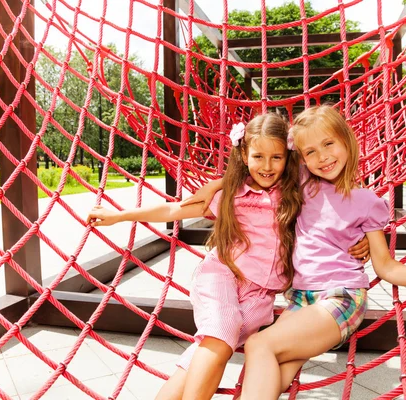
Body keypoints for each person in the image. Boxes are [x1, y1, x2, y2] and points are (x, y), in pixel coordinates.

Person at [187, 105, 406, 399]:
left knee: (258, 345)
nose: (323, 157)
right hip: (300, 302)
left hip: (341, 297)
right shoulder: (302, 184)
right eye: (311, 152)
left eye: (329, 144)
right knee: (271, 376)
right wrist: (219, 184)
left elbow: (385, 266)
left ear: (347, 140)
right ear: (302, 159)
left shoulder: (367, 202)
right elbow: (259, 170)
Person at [87, 113, 305, 400]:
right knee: (224, 327)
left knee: (214, 345)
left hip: (261, 295)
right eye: (258, 156)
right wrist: (118, 216)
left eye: (276, 157)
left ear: (288, 157)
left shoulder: (295, 193)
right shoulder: (232, 194)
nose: (266, 166)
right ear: (243, 154)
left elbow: (333, 199)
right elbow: (173, 210)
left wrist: (363, 239)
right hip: (223, 275)